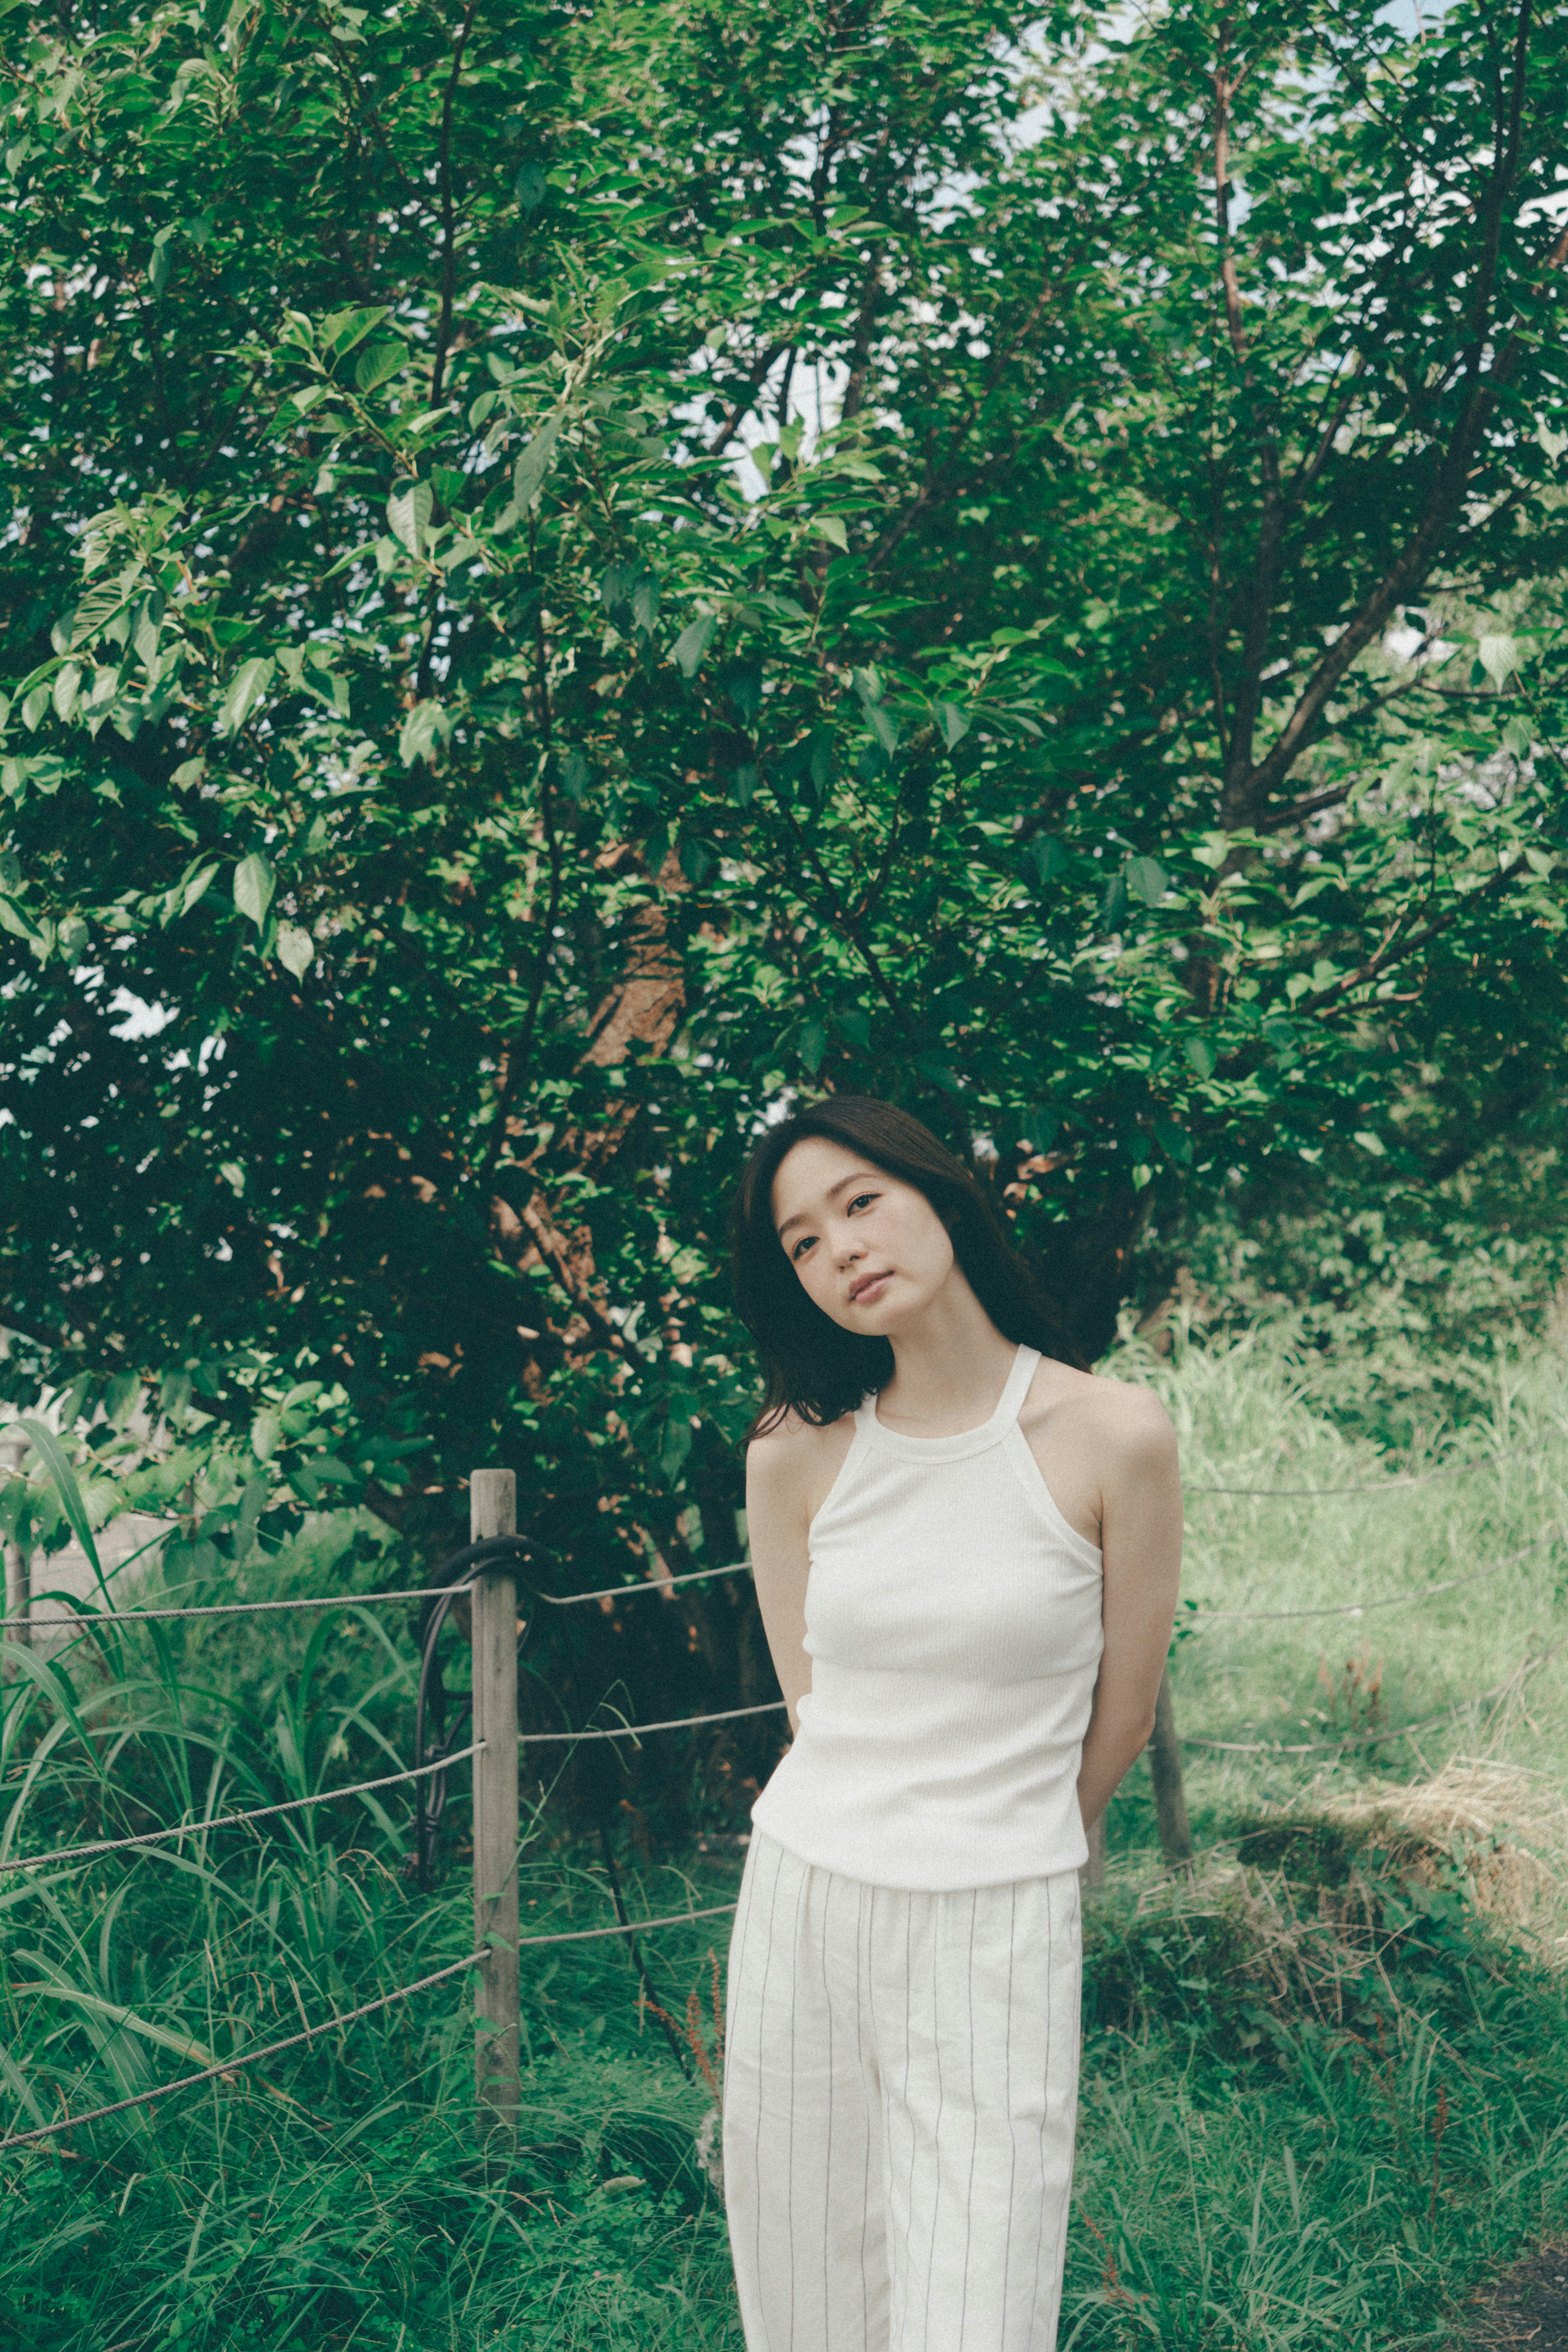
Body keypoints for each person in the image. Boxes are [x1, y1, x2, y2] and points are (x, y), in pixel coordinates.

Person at [721, 1095, 1183, 2351]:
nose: (841, 1250)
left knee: (979, 2293)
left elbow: (1125, 1709)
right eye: (802, 1243)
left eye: (860, 1203)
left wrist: (1020, 1844)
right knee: (807, 2283)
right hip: (805, 1901)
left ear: (943, 1195)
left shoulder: (1111, 1434)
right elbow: (810, 1699)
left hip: (998, 1914)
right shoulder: (795, 1456)